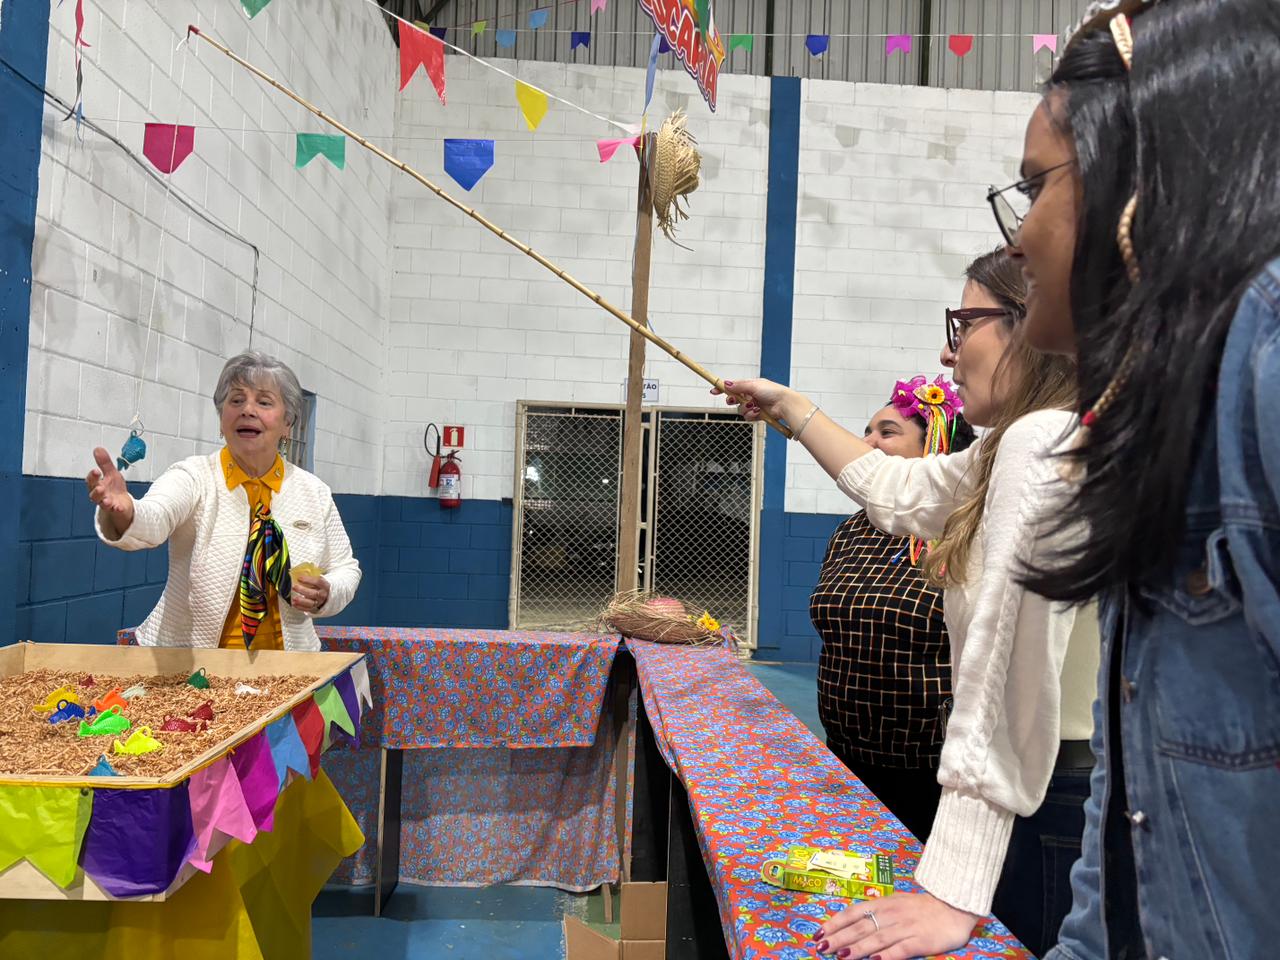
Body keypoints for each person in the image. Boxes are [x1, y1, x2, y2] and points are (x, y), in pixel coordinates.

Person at [995, 2, 1280, 958]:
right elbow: (1127, 853)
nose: (1018, 238)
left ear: (1141, 181)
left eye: (1035, 186)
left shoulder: (1265, 351)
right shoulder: (1152, 420)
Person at [721, 248, 1099, 959]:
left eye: (965, 324)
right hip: (1040, 787)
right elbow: (896, 490)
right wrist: (793, 409)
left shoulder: (1040, 438)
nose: (948, 353)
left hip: (1039, 794)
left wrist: (955, 885)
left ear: (1029, 323)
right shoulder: (1015, 446)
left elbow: (1001, 659)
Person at [87, 351, 361, 650]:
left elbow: (346, 568)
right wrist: (128, 512)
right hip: (190, 661)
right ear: (221, 420)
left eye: (264, 402)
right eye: (236, 400)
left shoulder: (314, 491)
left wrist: (328, 592)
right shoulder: (193, 476)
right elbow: (157, 515)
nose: (247, 410)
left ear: (288, 423)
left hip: (288, 664)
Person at [812, 375, 976, 845]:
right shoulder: (852, 531)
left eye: (886, 432)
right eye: (867, 430)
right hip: (845, 753)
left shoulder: (960, 534)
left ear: (934, 449)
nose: (867, 442)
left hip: (930, 769)